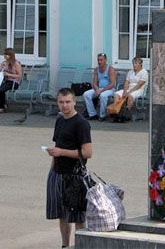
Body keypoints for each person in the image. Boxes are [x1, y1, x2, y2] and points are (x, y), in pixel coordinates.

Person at [45, 88, 92, 248]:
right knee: (62, 215)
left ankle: (81, 246)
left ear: (74, 102)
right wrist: (51, 172)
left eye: (67, 102)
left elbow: (87, 152)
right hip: (57, 174)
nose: (64, 105)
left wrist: (61, 152)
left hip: (75, 177)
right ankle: (65, 245)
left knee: (78, 216)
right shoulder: (59, 120)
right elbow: (58, 145)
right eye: (61, 102)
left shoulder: (81, 124)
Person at [113, 57, 148, 121]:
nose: (134, 65)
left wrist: (128, 93)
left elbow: (139, 85)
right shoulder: (130, 72)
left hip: (140, 90)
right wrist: (125, 91)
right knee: (116, 94)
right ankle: (116, 112)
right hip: (129, 89)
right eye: (133, 63)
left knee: (131, 96)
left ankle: (126, 114)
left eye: (136, 63)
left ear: (140, 64)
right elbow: (127, 82)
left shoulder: (144, 72)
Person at [83, 53, 115, 121]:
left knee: (103, 96)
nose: (99, 62)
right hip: (99, 88)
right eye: (98, 60)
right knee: (86, 94)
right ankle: (92, 114)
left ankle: (102, 115)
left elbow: (112, 84)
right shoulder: (96, 70)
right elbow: (94, 83)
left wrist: (102, 91)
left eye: (101, 60)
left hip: (109, 89)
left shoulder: (110, 69)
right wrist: (97, 89)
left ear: (105, 60)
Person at [0, 48, 22, 113]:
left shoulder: (16, 63)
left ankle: (1, 107)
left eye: (5, 54)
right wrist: (2, 67)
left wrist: (8, 74)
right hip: (6, 81)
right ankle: (4, 103)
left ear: (10, 55)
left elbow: (19, 75)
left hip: (14, 82)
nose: (4, 55)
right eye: (4, 54)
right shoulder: (4, 63)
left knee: (1, 90)